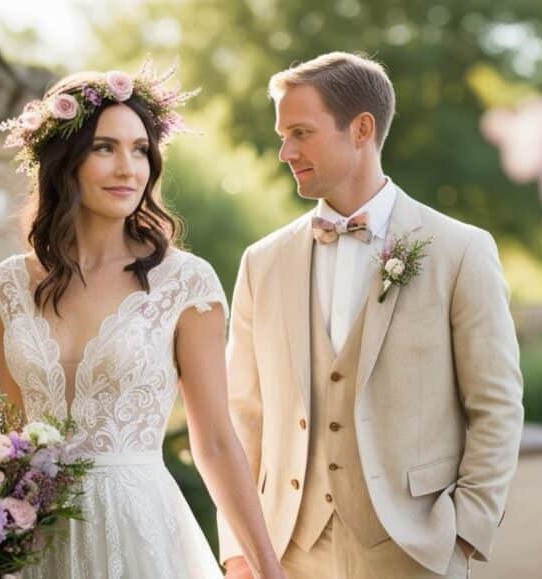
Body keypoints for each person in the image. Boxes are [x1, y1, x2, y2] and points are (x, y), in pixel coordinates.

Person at [0, 62, 284, 579]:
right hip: (35, 540)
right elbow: (12, 437)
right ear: (64, 161)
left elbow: (216, 442)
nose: (128, 169)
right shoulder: (8, 286)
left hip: (139, 533)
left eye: (140, 150)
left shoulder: (185, 283)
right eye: (104, 148)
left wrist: (269, 570)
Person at [218, 52, 524, 579]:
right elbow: (243, 417)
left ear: (361, 129)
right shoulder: (261, 263)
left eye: (300, 132)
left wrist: (465, 534)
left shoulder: (459, 251)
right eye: (282, 134)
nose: (284, 151)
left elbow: (496, 405)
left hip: (414, 549)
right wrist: (239, 548)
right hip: (284, 551)